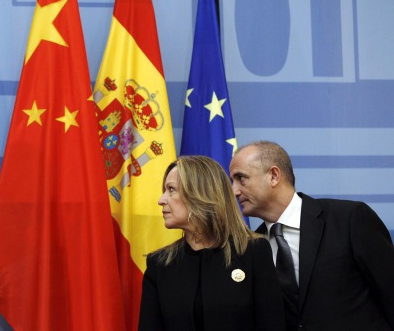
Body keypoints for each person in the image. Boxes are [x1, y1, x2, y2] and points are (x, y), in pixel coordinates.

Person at [229, 140, 394, 331]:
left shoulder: (349, 218)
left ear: (274, 176)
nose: (234, 191)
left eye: (241, 178)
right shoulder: (251, 247)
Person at [138, 156, 285, 331]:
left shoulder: (254, 252)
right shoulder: (159, 264)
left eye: (171, 190)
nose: (161, 200)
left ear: (200, 194)